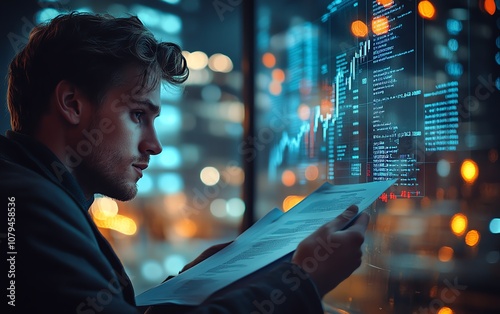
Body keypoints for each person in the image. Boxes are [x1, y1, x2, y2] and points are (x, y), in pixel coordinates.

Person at [0, 12, 370, 313]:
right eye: (138, 115)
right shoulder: (29, 205)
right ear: (72, 104)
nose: (154, 145)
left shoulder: (35, 191)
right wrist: (302, 283)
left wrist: (185, 286)